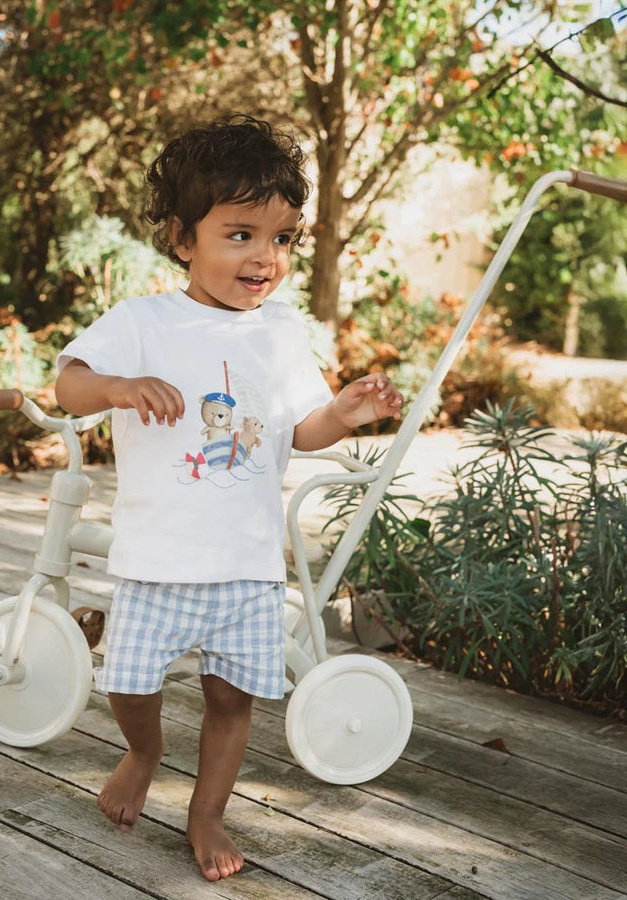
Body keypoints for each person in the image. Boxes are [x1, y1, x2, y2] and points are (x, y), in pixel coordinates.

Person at [55, 115, 403, 882]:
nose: (264, 258)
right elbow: (68, 384)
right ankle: (144, 752)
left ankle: (206, 812)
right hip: (159, 559)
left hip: (246, 566)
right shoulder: (144, 320)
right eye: (240, 234)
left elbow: (298, 430)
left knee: (233, 698)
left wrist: (342, 414)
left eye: (281, 239)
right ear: (183, 239)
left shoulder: (279, 332)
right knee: (131, 682)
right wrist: (116, 386)